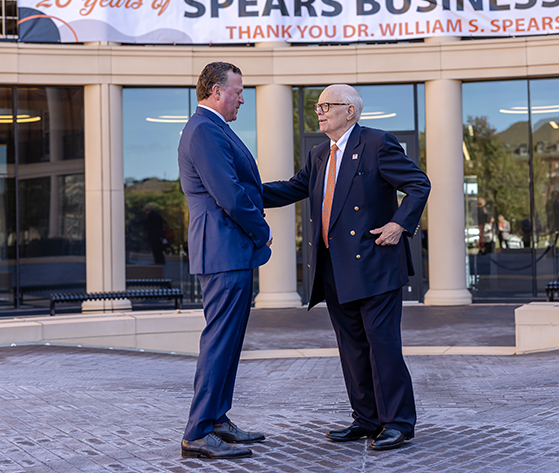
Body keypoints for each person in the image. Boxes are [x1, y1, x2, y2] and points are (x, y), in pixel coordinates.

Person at [262, 84, 430, 452]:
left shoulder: (377, 143)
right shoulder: (320, 153)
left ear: (350, 111)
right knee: (352, 348)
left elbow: (418, 184)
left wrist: (400, 223)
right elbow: (293, 188)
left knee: (382, 346)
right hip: (334, 268)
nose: (319, 112)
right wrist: (242, 191)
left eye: (326, 106)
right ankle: (367, 419)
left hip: (375, 265)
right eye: (317, 106)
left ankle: (398, 423)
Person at [178, 62, 273, 459]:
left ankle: (217, 419)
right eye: (238, 91)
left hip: (227, 250)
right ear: (216, 91)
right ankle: (198, 431)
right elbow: (230, 195)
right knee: (219, 342)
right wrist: (262, 231)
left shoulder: (214, 129)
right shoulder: (203, 130)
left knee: (229, 342)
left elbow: (243, 188)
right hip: (222, 250)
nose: (242, 98)